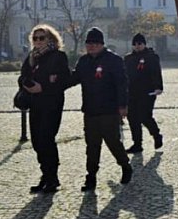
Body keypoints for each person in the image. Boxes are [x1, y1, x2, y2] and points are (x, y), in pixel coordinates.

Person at [66, 27, 132, 192]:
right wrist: (56, 80)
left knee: (113, 142)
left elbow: (121, 84)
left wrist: (123, 106)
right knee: (92, 146)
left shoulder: (113, 60)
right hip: (90, 110)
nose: (92, 46)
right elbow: (74, 78)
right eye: (89, 44)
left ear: (102, 44)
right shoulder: (84, 61)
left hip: (109, 110)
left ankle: (125, 165)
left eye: (95, 43)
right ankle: (91, 177)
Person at [19, 24, 71, 193]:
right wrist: (26, 85)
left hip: (51, 104)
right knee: (36, 142)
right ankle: (45, 175)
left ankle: (52, 178)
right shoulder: (32, 57)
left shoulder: (58, 56)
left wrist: (44, 87)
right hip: (35, 104)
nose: (38, 41)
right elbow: (22, 76)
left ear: (50, 39)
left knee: (46, 138)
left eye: (42, 38)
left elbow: (64, 80)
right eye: (35, 38)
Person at [124, 33, 164, 153]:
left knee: (145, 116)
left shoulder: (151, 56)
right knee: (132, 118)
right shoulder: (128, 58)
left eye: (139, 43)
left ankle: (156, 135)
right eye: (135, 44)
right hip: (131, 92)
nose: (137, 46)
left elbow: (156, 72)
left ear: (144, 44)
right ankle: (137, 143)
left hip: (148, 92)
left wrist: (158, 87)